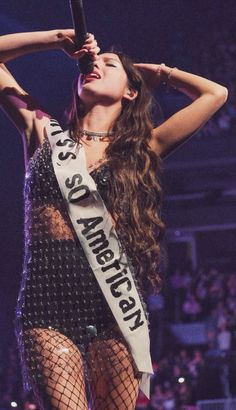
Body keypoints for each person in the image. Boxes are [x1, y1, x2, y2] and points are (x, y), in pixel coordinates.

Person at [0, 27, 228, 410]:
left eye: (109, 64)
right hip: (46, 302)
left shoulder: (142, 150)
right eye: (91, 62)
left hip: (113, 304)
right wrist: (57, 39)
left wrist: (158, 73)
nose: (94, 65)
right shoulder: (42, 131)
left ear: (131, 92)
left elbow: (215, 94)